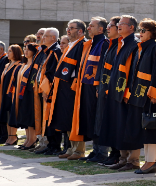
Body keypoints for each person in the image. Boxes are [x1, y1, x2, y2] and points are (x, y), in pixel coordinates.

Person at [114, 19, 156, 173]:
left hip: (149, 97)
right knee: (143, 129)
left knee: (150, 129)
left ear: (153, 32)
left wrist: (154, 94)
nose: (141, 33)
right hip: (138, 95)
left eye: (144, 30)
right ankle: (147, 161)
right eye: (140, 30)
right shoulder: (141, 48)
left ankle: (151, 163)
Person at [66, 17, 110, 161]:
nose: (89, 28)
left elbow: (103, 67)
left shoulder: (104, 43)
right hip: (86, 86)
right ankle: (95, 151)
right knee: (91, 119)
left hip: (96, 86)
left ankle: (102, 152)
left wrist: (98, 85)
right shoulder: (90, 44)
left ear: (101, 29)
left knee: (99, 119)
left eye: (91, 26)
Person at [101, 15, 140, 170]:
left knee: (128, 127)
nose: (118, 26)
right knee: (118, 126)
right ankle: (123, 158)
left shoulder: (135, 45)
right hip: (116, 92)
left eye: (122, 24)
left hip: (126, 93)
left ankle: (133, 160)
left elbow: (134, 72)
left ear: (131, 27)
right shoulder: (120, 43)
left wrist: (128, 92)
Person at [47, 20, 87, 157]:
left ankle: (79, 150)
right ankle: (70, 148)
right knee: (66, 118)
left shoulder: (83, 44)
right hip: (63, 86)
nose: (68, 30)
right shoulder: (71, 45)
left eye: (72, 28)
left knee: (73, 118)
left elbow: (80, 67)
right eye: (67, 28)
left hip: (72, 86)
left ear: (80, 31)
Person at [92, 16, 123, 165]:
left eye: (111, 26)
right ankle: (107, 153)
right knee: (102, 121)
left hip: (114, 90)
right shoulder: (111, 44)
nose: (108, 28)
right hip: (104, 88)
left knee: (113, 122)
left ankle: (115, 154)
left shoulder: (120, 45)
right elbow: (103, 68)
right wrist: (99, 86)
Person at [9, 43, 38, 150]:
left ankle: (32, 140)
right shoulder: (24, 64)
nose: (25, 51)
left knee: (30, 117)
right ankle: (28, 139)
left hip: (29, 93)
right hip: (21, 94)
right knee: (25, 117)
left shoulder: (34, 65)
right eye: (24, 49)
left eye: (28, 50)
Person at [0, 45, 22, 146]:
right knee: (7, 115)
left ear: (16, 53)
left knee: (11, 115)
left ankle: (13, 136)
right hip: (4, 92)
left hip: (12, 92)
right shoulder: (7, 65)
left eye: (10, 51)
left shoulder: (19, 65)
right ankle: (9, 136)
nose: (8, 53)